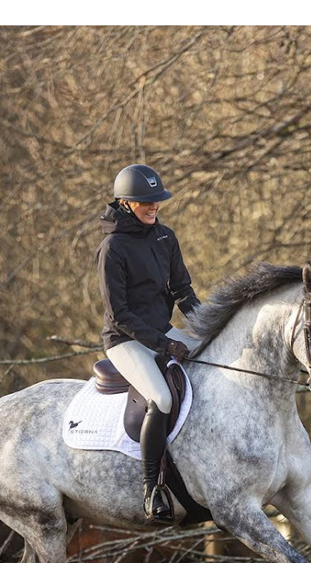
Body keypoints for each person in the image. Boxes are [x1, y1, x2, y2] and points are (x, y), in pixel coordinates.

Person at [96, 164, 200, 522]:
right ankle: (152, 486)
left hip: (161, 331)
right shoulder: (112, 249)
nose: (154, 207)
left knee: (211, 360)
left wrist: (206, 327)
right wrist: (164, 344)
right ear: (125, 204)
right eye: (145, 203)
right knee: (163, 397)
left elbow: (182, 290)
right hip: (125, 340)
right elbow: (120, 314)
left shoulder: (165, 237)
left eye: (157, 201)